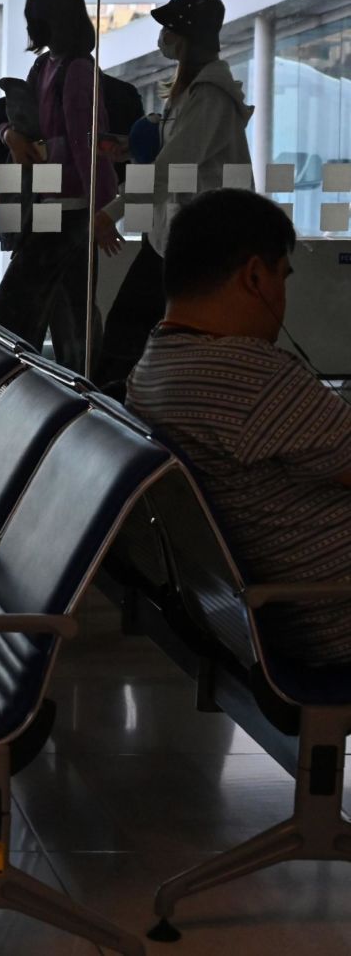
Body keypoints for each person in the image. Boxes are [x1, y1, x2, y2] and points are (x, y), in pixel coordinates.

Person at [125, 189, 351, 667]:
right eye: (281, 277)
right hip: (330, 618)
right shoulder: (250, 377)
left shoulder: (155, 365)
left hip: (267, 612)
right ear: (254, 276)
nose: (283, 297)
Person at [95, 0, 252, 388]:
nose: (163, 37)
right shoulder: (192, 94)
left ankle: (126, 428)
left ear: (186, 35)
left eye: (169, 28)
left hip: (195, 243)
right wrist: (132, 149)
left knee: (131, 339)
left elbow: (170, 170)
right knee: (132, 337)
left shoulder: (209, 98)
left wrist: (109, 213)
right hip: (172, 237)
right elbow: (176, 158)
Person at [0, 0, 120, 374]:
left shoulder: (70, 70)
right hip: (60, 206)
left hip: (65, 208)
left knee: (19, 309)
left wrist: (102, 209)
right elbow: (21, 121)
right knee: (71, 314)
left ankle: (2, 388)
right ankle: (83, 398)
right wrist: (11, 134)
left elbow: (86, 144)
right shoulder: (52, 67)